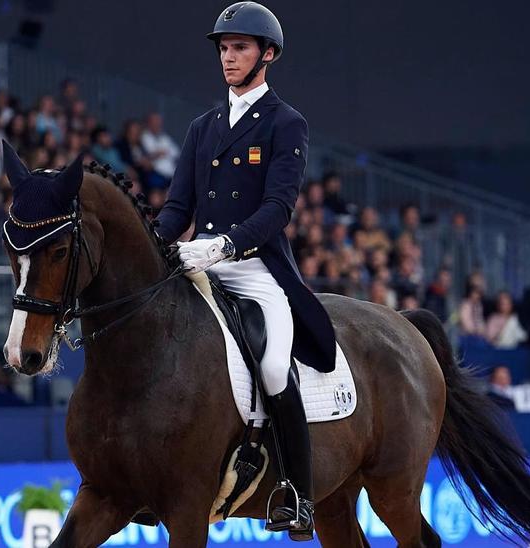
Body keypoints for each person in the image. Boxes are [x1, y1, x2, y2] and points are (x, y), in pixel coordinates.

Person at [151, 2, 332, 538]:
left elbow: (278, 209)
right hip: (198, 265)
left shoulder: (285, 122)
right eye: (224, 49)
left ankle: (298, 494)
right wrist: (157, 244)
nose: (228, 58)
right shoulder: (203, 127)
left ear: (267, 56)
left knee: (275, 369)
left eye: (240, 49)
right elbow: (177, 208)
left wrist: (225, 244)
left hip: (255, 270)